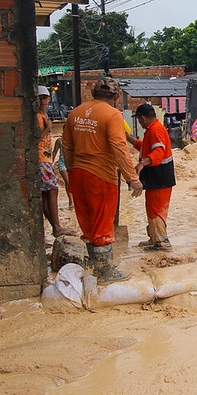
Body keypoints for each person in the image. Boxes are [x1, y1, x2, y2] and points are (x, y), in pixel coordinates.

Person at [63, 77, 143, 283]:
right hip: (100, 175)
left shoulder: (75, 113)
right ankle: (106, 273)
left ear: (93, 93)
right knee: (102, 223)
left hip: (78, 173)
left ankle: (97, 267)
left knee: (88, 223)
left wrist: (71, 172)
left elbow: (67, 146)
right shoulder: (113, 114)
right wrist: (132, 178)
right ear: (116, 96)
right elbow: (119, 147)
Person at [126, 103, 176, 251]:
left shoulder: (155, 130)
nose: (139, 123)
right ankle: (154, 238)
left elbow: (158, 152)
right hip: (157, 178)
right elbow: (144, 147)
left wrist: (142, 164)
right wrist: (128, 138)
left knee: (156, 209)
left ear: (142, 118)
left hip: (160, 177)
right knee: (152, 208)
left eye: (139, 120)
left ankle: (162, 242)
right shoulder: (152, 129)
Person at [36, 85, 75, 238]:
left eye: (44, 97)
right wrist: (48, 128)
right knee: (53, 190)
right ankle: (57, 226)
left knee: (47, 193)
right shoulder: (38, 117)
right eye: (40, 98)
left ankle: (55, 226)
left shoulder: (44, 116)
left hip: (46, 159)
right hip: (42, 158)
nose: (42, 100)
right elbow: (35, 139)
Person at [52, 136, 73, 208]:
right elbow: (54, 152)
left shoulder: (74, 140)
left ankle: (74, 201)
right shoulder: (59, 141)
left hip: (71, 163)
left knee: (73, 182)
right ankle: (71, 201)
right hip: (62, 164)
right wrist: (50, 164)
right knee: (67, 181)